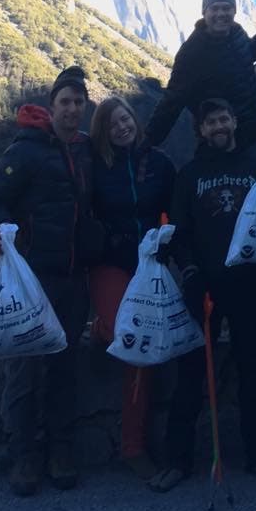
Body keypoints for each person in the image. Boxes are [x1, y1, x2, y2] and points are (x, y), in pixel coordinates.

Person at [0, 66, 99, 496]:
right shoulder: (26, 150)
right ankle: (26, 455)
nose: (72, 109)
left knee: (65, 367)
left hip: (73, 278)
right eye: (65, 101)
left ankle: (61, 451)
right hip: (31, 279)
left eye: (79, 102)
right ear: (52, 107)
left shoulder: (85, 150)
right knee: (24, 369)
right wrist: (2, 229)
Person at [152, 98, 256, 492]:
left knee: (253, 372)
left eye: (224, 118)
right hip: (202, 286)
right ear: (201, 130)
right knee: (190, 375)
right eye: (210, 122)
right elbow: (176, 230)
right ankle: (177, 460)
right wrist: (189, 271)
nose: (219, 126)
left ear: (234, 122)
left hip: (246, 283)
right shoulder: (189, 175)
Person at [88, 96, 175, 480]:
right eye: (112, 124)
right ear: (103, 133)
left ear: (134, 120)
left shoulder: (159, 163)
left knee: (144, 346)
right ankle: (133, 447)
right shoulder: (95, 166)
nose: (121, 127)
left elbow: (176, 212)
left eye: (125, 119)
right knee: (135, 339)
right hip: (109, 263)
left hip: (150, 267)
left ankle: (134, 444)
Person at [144, 0, 256, 154]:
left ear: (234, 11)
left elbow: (249, 51)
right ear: (204, 12)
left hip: (252, 134)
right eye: (215, 8)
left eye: (226, 8)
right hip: (218, 140)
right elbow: (172, 101)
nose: (221, 14)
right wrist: (148, 142)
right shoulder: (192, 52)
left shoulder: (236, 33)